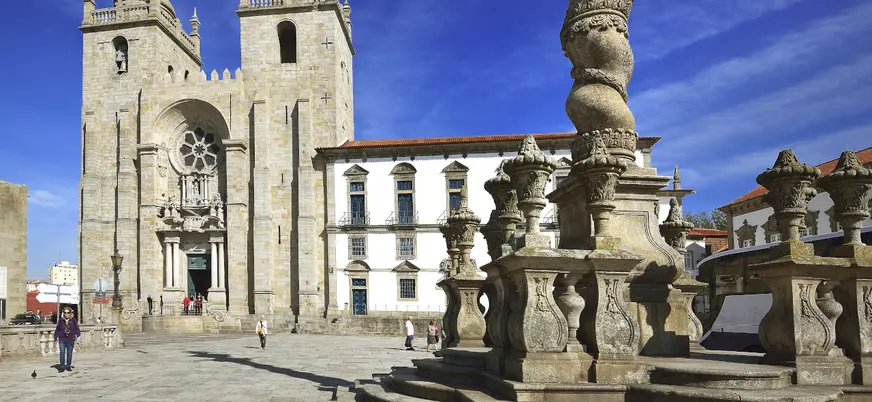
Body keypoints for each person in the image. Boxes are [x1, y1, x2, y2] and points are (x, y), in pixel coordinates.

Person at [53, 307, 81, 372]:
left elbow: (77, 329)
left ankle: (68, 366)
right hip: (62, 339)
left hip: (70, 339)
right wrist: (55, 338)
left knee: (69, 354)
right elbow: (57, 330)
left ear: (70, 313)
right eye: (65, 313)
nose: (66, 314)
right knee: (62, 352)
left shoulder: (73, 320)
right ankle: (62, 366)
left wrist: (78, 338)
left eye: (68, 312)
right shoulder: (61, 320)